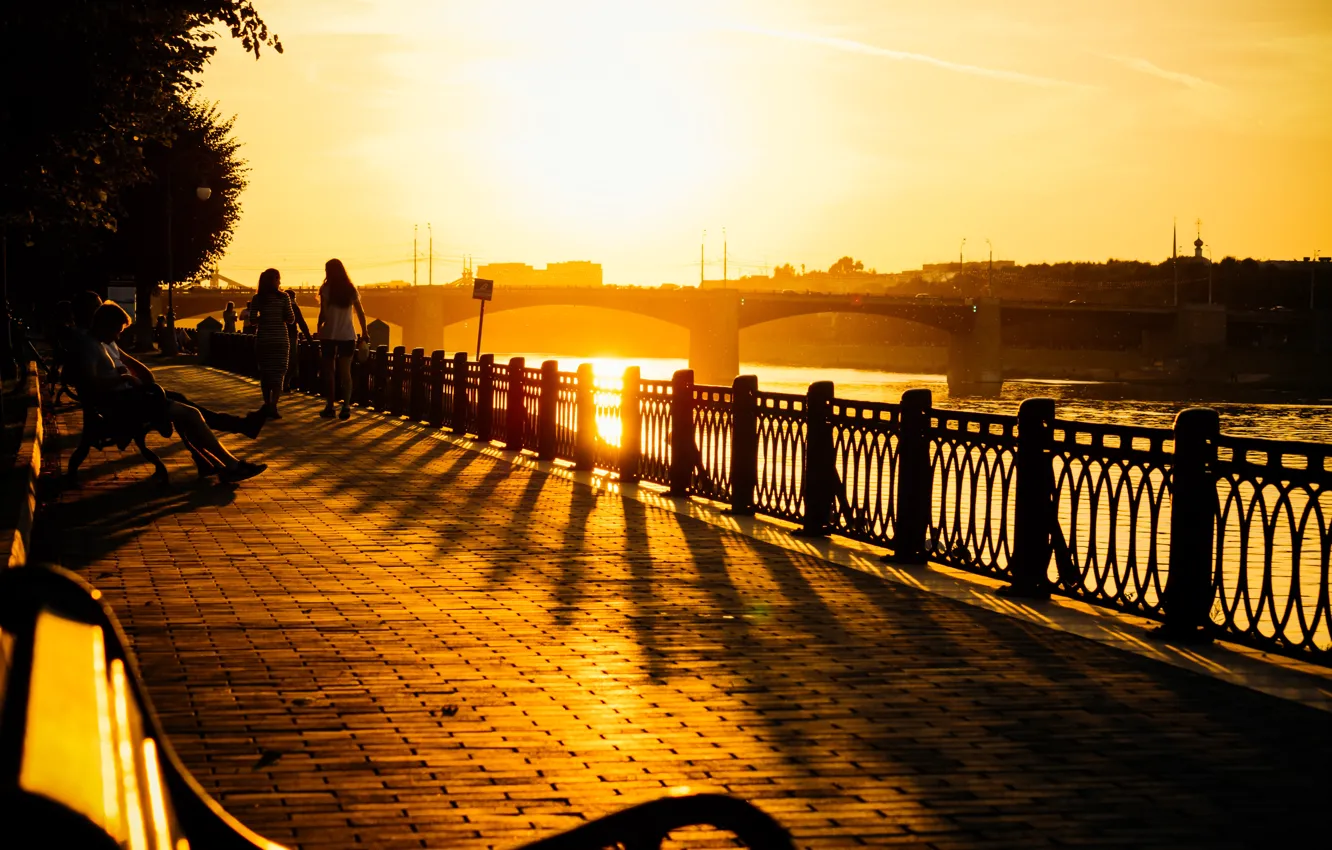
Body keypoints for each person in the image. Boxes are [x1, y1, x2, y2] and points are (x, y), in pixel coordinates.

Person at [83, 303, 266, 483]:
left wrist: (134, 368)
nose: (118, 335)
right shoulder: (90, 347)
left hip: (135, 396)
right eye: (116, 330)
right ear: (105, 325)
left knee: (185, 405)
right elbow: (91, 384)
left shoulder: (105, 342)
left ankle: (216, 457)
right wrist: (125, 379)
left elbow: (138, 369)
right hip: (123, 404)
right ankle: (232, 461)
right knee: (191, 414)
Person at [317, 258, 368, 420]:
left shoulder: (325, 289)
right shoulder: (350, 289)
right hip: (347, 336)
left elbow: (323, 313)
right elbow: (360, 312)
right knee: (346, 372)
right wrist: (365, 332)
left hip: (329, 336)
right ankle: (346, 406)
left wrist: (319, 328)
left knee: (329, 373)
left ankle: (330, 406)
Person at [250, 268, 295, 418]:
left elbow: (252, 320)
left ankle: (267, 404)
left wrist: (264, 319)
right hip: (280, 340)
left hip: (263, 340)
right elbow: (290, 318)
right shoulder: (284, 298)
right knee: (279, 373)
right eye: (278, 279)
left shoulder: (257, 299)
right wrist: (279, 316)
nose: (280, 281)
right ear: (274, 280)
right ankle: (274, 406)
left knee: (265, 373)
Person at [284, 289, 312, 391]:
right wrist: (309, 339)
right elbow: (301, 323)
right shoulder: (294, 307)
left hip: (279, 336)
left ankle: (279, 383)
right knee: (292, 361)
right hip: (291, 336)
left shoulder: (279, 306)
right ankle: (287, 383)